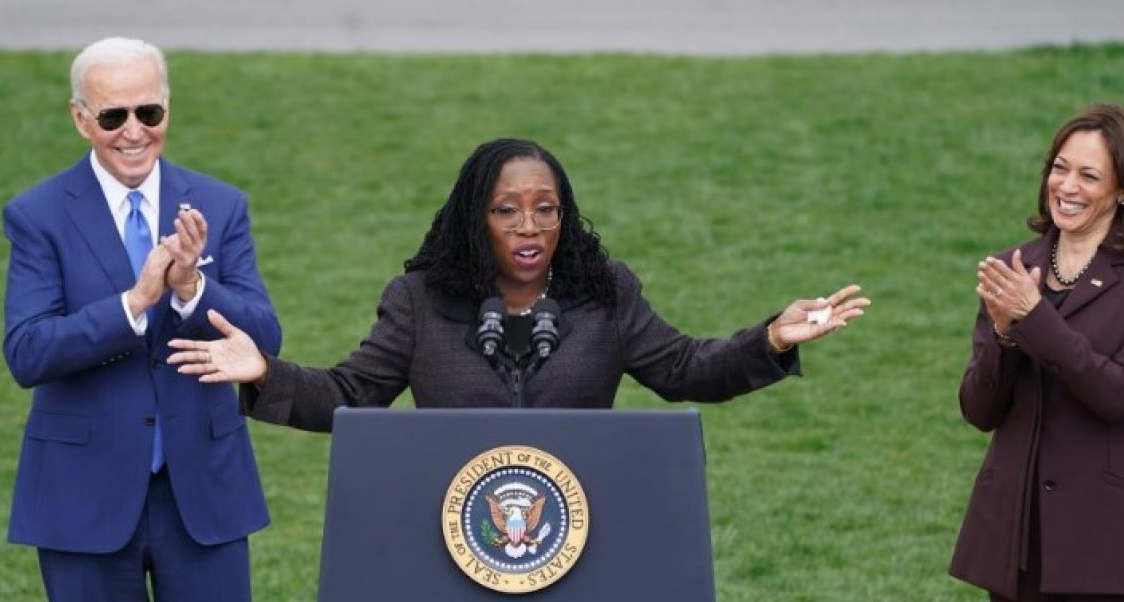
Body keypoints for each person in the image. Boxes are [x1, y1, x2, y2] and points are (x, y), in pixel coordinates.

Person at [169, 137, 866, 427]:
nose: (529, 227)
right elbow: (354, 395)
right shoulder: (418, 301)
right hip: (453, 526)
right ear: (477, 220)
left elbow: (686, 368)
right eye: (507, 211)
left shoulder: (606, 291)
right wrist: (263, 373)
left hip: (580, 524)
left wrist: (772, 337)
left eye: (545, 209)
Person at [1, 37, 281, 602]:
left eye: (148, 113)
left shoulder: (219, 204)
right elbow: (27, 350)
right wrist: (134, 302)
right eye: (113, 117)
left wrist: (192, 289)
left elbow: (265, 332)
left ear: (167, 111)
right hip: (84, 497)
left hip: (202, 495)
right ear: (80, 118)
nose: (134, 132)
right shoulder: (37, 215)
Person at [950, 103, 1124, 602]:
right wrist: (1002, 334)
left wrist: (1034, 319)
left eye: (1089, 176)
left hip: (1112, 536)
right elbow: (978, 409)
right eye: (1059, 168)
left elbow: (1122, 395)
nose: (1066, 186)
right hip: (1019, 537)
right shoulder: (1015, 266)